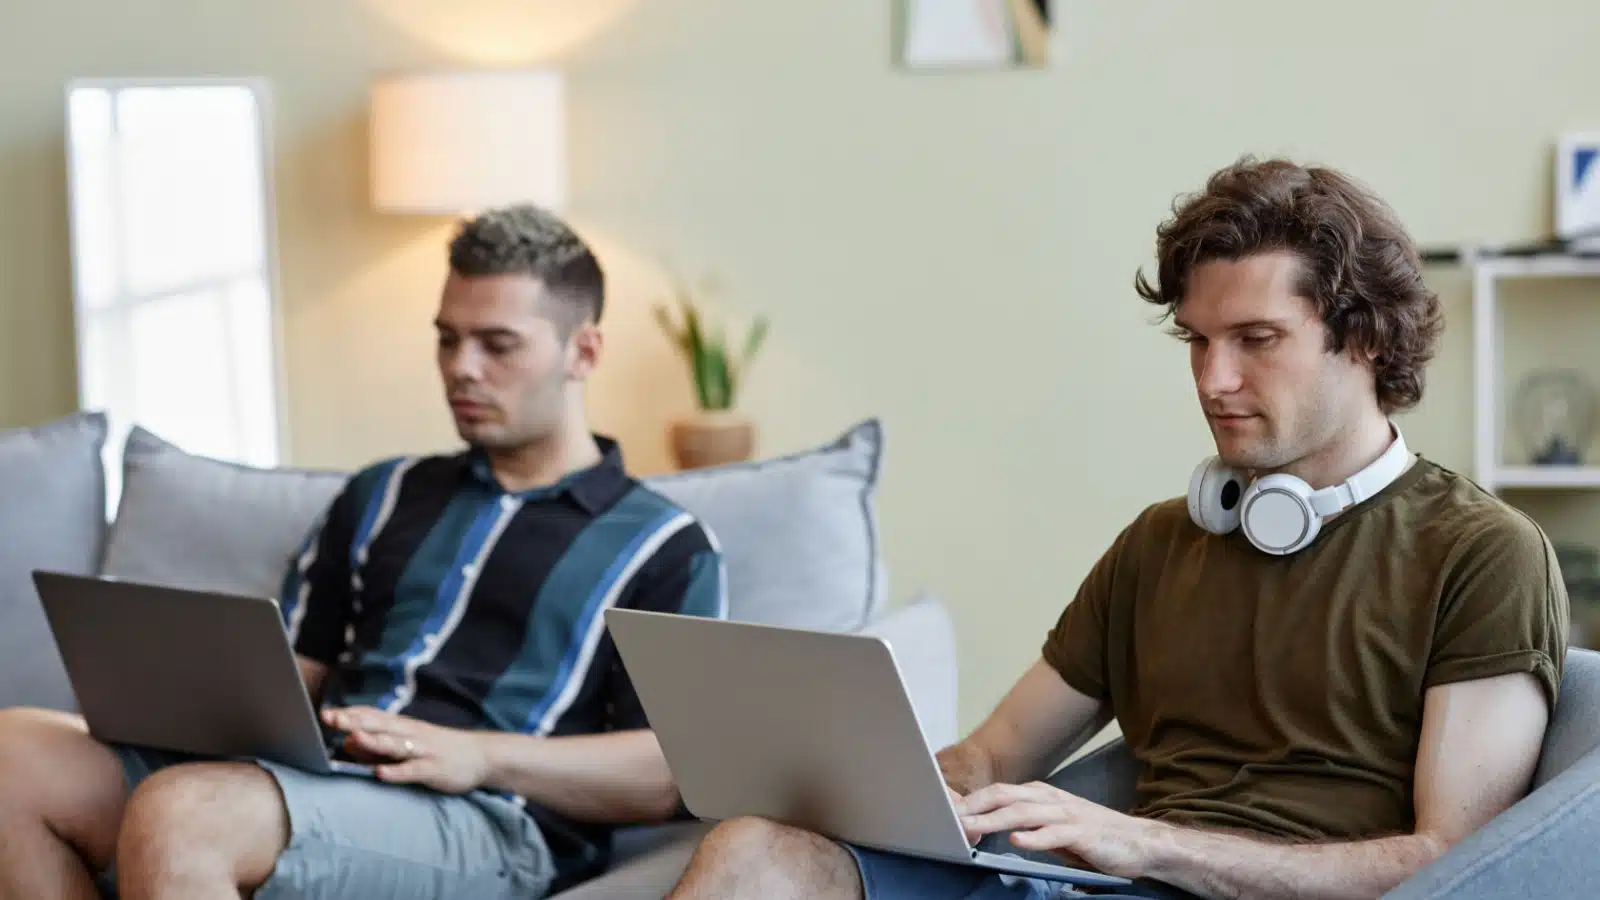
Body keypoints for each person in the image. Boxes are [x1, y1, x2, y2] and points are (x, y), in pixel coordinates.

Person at [663, 157, 1569, 900]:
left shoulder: (1480, 552)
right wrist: (858, 787)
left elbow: (1453, 864)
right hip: (1086, 885)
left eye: (1255, 340)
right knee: (752, 853)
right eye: (1197, 341)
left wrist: (1147, 845)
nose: (1213, 379)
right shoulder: (1160, 544)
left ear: (1364, 340)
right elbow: (990, 756)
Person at [0, 205, 727, 900]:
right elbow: (299, 674)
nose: (462, 368)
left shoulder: (663, 545)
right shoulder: (384, 493)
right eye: (447, 339)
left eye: (497, 345)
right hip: (320, 779)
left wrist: (479, 753)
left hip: (489, 819)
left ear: (583, 351)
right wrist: (175, 694)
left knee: (183, 813)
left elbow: (668, 771)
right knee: (14, 754)